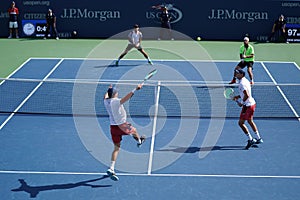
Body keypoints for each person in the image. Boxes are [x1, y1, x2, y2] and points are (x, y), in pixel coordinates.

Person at [104, 84, 146, 180]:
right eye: (116, 92)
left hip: (113, 128)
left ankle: (111, 168)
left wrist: (109, 89)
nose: (117, 92)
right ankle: (139, 141)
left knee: (116, 148)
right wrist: (136, 89)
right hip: (122, 126)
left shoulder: (106, 101)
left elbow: (106, 95)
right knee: (134, 131)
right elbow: (127, 97)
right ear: (114, 94)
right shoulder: (116, 102)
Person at [232, 69, 263, 150]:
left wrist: (241, 102)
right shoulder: (245, 80)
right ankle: (258, 138)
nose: (236, 74)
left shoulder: (242, 83)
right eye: (236, 73)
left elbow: (247, 95)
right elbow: (244, 93)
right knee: (250, 121)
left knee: (241, 123)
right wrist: (238, 96)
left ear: (242, 74)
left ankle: (251, 139)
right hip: (252, 104)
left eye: (237, 73)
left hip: (247, 106)